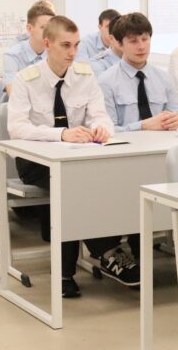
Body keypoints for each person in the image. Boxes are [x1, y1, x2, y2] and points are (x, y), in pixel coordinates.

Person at [7, 15, 117, 298]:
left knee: (106, 180)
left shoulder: (85, 76)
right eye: (66, 45)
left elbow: (100, 114)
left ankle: (108, 252)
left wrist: (100, 128)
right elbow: (16, 127)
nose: (73, 52)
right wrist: (61, 134)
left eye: (77, 45)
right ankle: (89, 260)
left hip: (77, 156)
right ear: (47, 44)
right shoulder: (26, 79)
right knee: (71, 187)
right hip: (35, 160)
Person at [96, 12, 178, 284]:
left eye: (145, 39)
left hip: (163, 156)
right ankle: (122, 251)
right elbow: (107, 129)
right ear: (119, 43)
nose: (141, 46)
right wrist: (143, 126)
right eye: (133, 41)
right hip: (122, 160)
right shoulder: (106, 81)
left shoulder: (163, 78)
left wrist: (176, 121)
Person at [2, 1, 56, 94]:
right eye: (44, 27)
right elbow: (13, 94)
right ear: (29, 28)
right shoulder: (12, 55)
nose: (49, 32)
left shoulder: (55, 53)